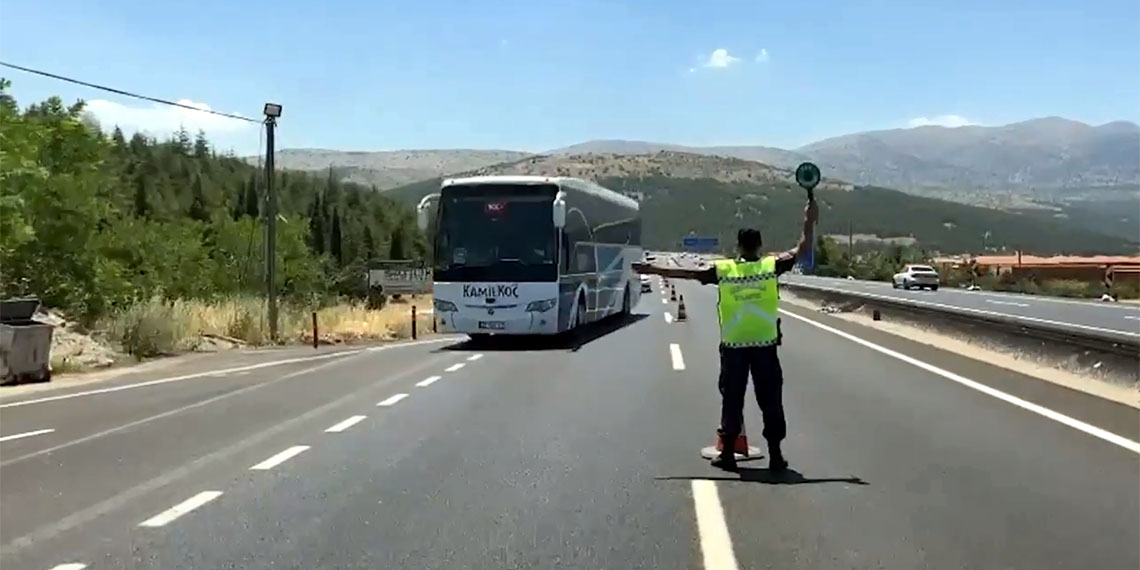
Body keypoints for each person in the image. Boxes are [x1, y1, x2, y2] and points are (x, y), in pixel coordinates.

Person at [632, 199, 818, 472]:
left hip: (734, 347)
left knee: (732, 399)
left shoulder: (724, 270)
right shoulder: (770, 266)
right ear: (760, 245)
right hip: (765, 346)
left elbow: (686, 272)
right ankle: (776, 454)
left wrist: (653, 270)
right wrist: (809, 220)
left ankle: (728, 453)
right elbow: (802, 250)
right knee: (770, 400)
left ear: (739, 246)